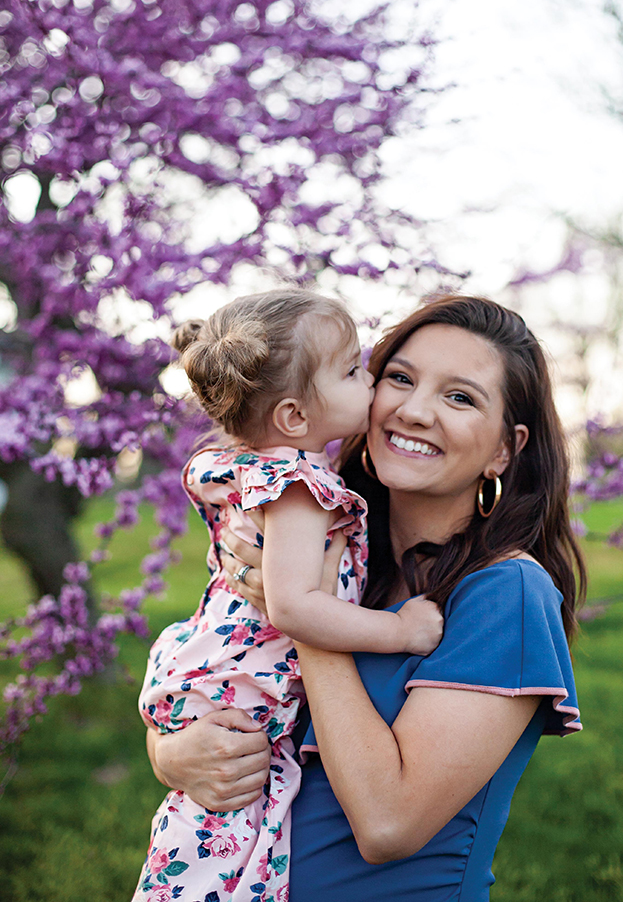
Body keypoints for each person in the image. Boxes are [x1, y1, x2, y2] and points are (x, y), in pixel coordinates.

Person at [145, 294, 586, 902]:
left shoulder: (504, 593)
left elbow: (388, 825)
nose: (414, 410)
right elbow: (221, 669)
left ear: (504, 450)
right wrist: (173, 754)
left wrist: (306, 618)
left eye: (460, 398)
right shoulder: (339, 549)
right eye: (399, 378)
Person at [133, 288, 443, 902]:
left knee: (206, 842)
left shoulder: (251, 466)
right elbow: (295, 606)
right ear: (295, 417)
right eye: (352, 371)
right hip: (249, 691)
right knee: (226, 854)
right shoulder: (298, 487)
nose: (370, 380)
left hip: (217, 673)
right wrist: (401, 631)